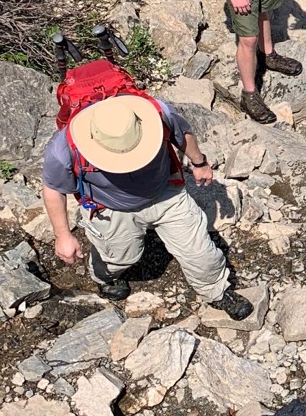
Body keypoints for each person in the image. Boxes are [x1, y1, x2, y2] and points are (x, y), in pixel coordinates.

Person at [41, 94, 253, 319]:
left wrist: (199, 162)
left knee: (201, 253)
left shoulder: (156, 112)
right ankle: (105, 277)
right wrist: (63, 235)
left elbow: (183, 135)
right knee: (120, 258)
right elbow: (53, 188)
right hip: (110, 206)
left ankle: (217, 290)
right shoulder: (63, 147)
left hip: (165, 192)